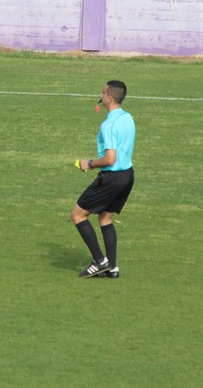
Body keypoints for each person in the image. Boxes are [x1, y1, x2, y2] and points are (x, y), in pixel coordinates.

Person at [71, 80, 135, 278]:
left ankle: (100, 260)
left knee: (78, 215)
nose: (101, 93)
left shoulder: (108, 125)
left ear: (108, 97)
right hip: (127, 175)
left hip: (112, 177)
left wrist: (88, 163)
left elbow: (110, 159)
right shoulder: (128, 118)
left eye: (103, 91)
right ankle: (113, 268)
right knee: (105, 218)